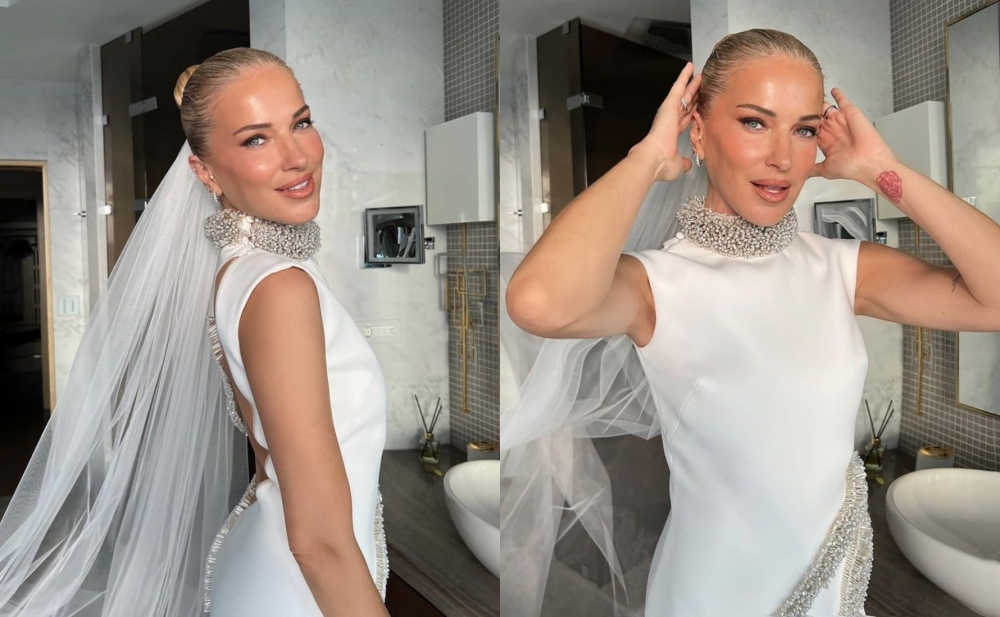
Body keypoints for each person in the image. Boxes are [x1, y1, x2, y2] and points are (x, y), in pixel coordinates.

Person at [502, 29, 1000, 617]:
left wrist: (881, 170)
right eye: (754, 122)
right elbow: (538, 302)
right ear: (698, 133)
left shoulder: (842, 269)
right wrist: (646, 160)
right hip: (713, 594)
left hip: (832, 591)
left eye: (804, 130)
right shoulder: (655, 284)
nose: (783, 158)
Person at [0, 48, 389, 617]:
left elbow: (270, 459)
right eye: (256, 139)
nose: (297, 156)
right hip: (304, 591)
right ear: (205, 172)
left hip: (275, 563)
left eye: (301, 123)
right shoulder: (279, 288)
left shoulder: (244, 271)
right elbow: (320, 543)